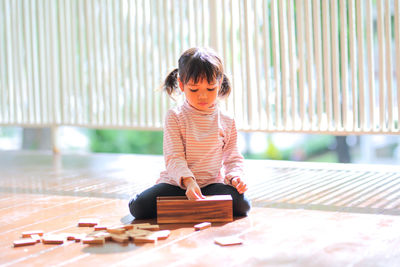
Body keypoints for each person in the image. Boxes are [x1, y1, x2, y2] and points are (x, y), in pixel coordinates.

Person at [129, 47, 251, 219]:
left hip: (211, 184)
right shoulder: (175, 116)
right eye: (194, 89)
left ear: (220, 82)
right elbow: (174, 158)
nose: (203, 96)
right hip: (178, 185)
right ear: (181, 84)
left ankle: (189, 207)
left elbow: (232, 159)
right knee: (139, 208)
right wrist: (189, 182)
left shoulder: (227, 120)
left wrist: (235, 177)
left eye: (210, 89)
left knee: (243, 205)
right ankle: (195, 206)